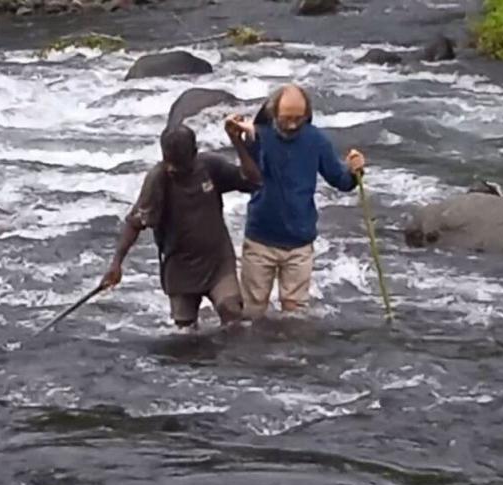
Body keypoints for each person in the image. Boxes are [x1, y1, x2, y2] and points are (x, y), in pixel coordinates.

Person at [99, 119, 261, 329]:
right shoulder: (157, 180)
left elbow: (253, 181)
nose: (172, 168)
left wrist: (238, 143)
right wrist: (116, 264)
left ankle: (231, 362)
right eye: (169, 161)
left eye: (179, 163)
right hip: (180, 268)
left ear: (195, 153)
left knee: (232, 314)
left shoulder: (210, 167)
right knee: (184, 333)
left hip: (218, 261)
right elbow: (134, 223)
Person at [225, 83, 366, 318]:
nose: (292, 124)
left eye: (298, 118)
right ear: (273, 113)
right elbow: (248, 177)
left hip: (299, 243)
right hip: (261, 240)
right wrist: (238, 140)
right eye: (286, 117)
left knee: (296, 316)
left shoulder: (316, 140)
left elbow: (341, 182)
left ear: (307, 115)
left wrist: (355, 171)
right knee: (251, 313)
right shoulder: (258, 135)